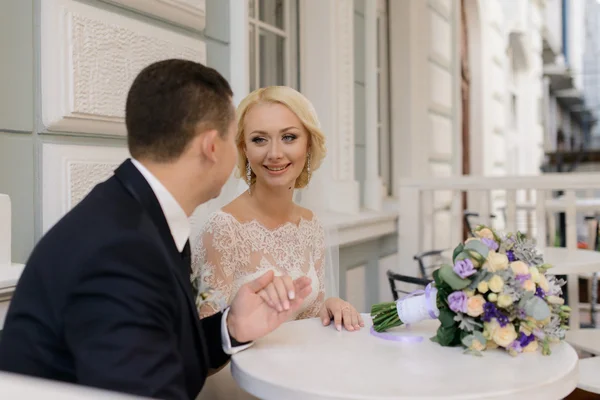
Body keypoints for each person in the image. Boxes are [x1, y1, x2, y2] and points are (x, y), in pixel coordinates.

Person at [0, 60, 313, 400]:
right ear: (211, 146)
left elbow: (163, 345)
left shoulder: (139, 212)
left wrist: (231, 327)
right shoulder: (120, 251)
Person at [191, 86, 363, 399]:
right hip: (245, 388)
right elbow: (204, 353)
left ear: (309, 143)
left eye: (289, 137)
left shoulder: (310, 224)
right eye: (259, 139)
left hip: (302, 380)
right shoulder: (223, 229)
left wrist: (329, 306)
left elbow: (306, 318)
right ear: (243, 148)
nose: (274, 153)